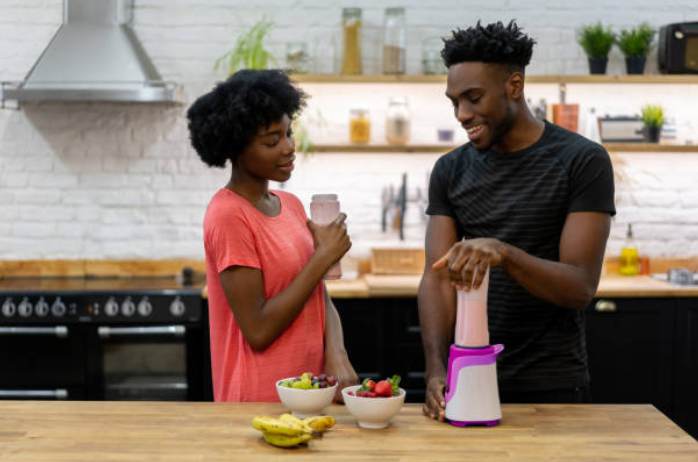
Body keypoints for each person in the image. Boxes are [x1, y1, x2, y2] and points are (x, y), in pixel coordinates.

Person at [418, 21, 615, 420]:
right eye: (454, 101)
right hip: (469, 376)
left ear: (514, 86)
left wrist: (504, 253)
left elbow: (579, 287)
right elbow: (437, 277)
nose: (462, 114)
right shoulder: (450, 170)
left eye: (473, 98)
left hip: (552, 382)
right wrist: (437, 368)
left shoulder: (582, 161)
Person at [187, 69, 358, 402]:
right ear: (236, 147)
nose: (288, 148)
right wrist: (322, 256)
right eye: (271, 141)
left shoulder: (291, 205)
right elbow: (259, 330)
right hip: (258, 399)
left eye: (288, 133)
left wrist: (336, 352)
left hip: (310, 393)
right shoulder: (228, 215)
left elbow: (316, 293)